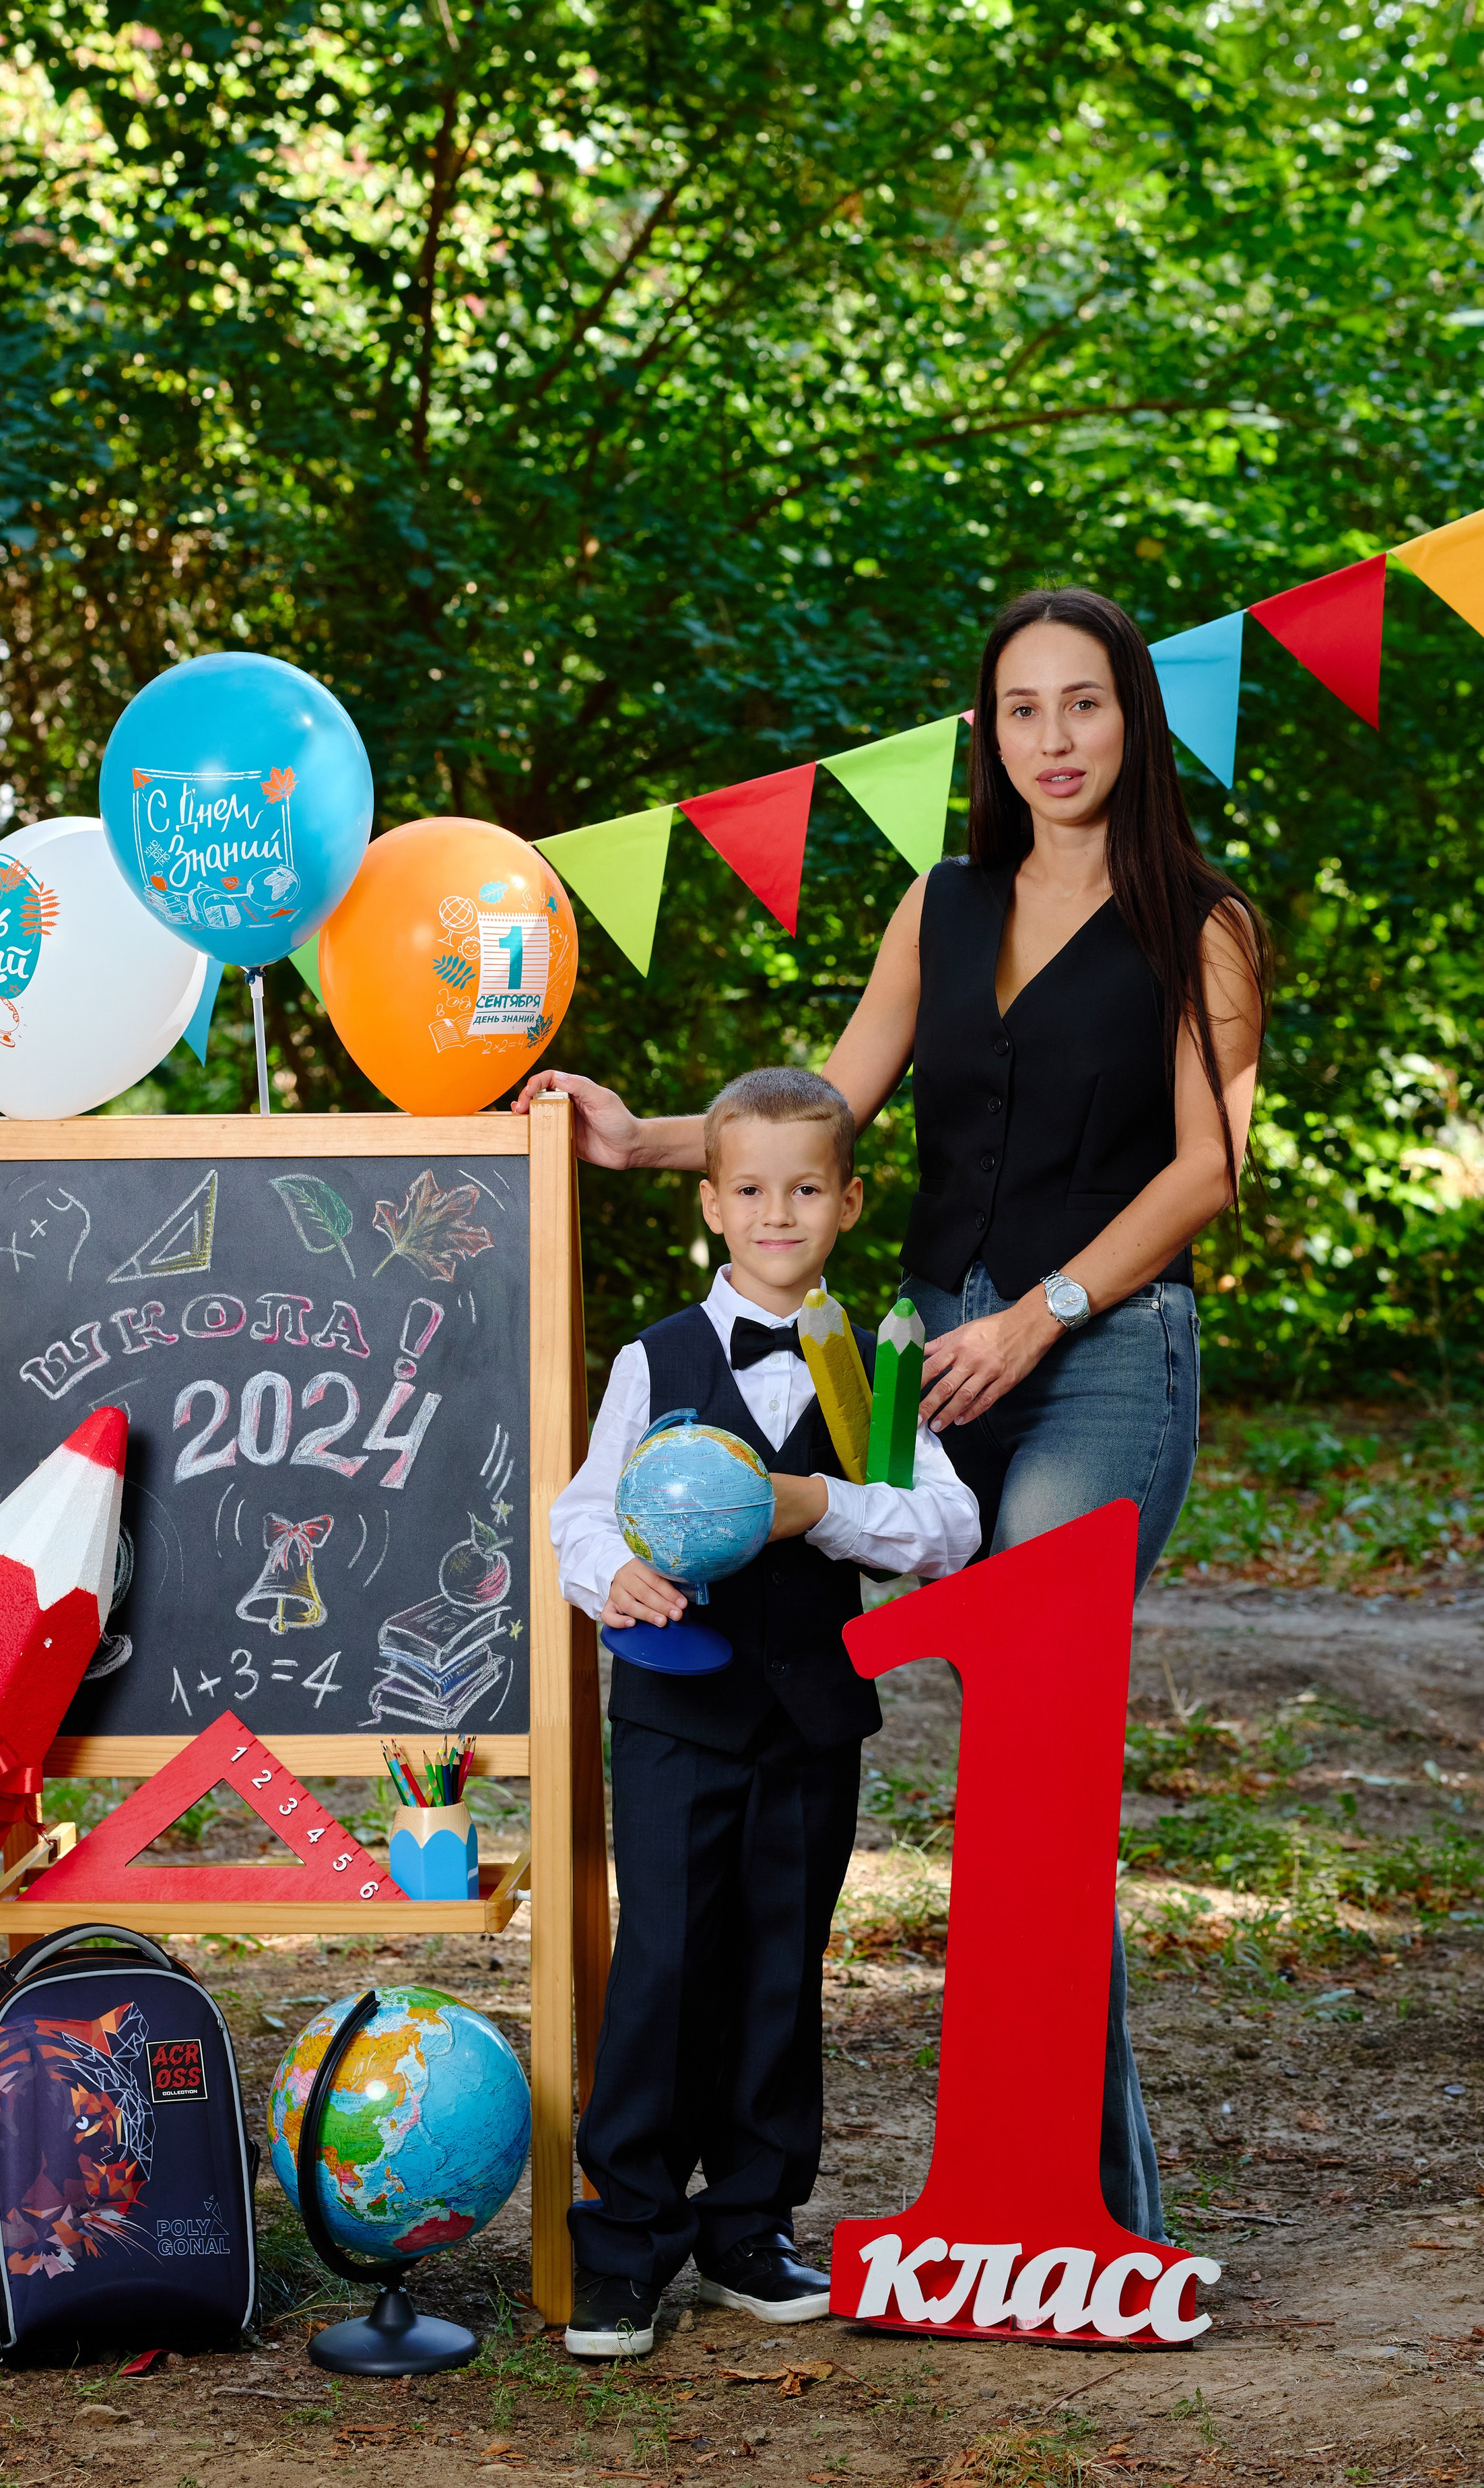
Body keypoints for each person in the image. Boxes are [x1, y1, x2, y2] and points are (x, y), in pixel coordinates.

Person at [519, 585, 1268, 2247]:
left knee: (1034, 1729)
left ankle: (1080, 2207)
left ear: (1133, 719)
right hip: (923, 1359)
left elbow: (1204, 1169)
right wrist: (637, 1139)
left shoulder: (1199, 922)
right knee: (985, 1750)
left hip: (1098, 1355)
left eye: (1084, 704)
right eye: (1022, 710)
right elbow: (824, 1111)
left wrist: (1038, 1311)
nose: (1055, 739)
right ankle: (941, 2180)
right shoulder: (940, 903)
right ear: (986, 733)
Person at [548, 1066, 980, 2359]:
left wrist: (821, 1506)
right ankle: (627, 2238)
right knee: (664, 1967)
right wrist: (610, 1575)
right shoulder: (659, 1356)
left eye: (804, 1190)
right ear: (712, 1205)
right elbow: (582, 1512)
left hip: (810, 1721)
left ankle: (751, 2222)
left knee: (783, 1971)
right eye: (749, 1190)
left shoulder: (880, 1367)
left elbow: (947, 1525)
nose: (776, 1214)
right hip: (676, 1717)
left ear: (849, 1202)